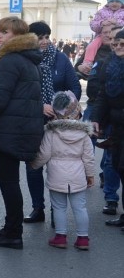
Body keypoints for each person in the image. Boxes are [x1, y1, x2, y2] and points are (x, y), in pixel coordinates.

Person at [0, 16, 44, 249]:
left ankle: (13, 232)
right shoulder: (26, 58)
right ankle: (11, 228)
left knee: (9, 181)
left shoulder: (11, 60)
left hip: (10, 132)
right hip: (17, 130)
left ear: (17, 35)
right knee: (9, 180)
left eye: (5, 32)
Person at [21, 21, 82, 223]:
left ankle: (59, 212)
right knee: (34, 165)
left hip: (58, 122)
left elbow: (74, 88)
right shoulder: (24, 59)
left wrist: (59, 107)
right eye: (40, 37)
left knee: (56, 167)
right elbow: (19, 93)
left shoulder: (61, 59)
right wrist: (40, 106)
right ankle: (38, 208)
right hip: (33, 120)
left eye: (47, 36)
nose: (44, 41)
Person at [30, 91, 94, 250]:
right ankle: (83, 238)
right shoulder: (84, 134)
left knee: (59, 207)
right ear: (77, 111)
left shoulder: (51, 132)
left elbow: (44, 154)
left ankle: (60, 237)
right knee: (80, 207)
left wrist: (34, 165)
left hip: (56, 175)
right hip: (78, 175)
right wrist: (90, 175)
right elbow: (88, 157)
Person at [91, 29, 124, 230]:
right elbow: (103, 94)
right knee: (119, 168)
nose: (118, 47)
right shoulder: (109, 64)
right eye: (115, 44)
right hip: (116, 124)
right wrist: (96, 118)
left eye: (122, 44)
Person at [81, 0, 124, 72]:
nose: (114, 3)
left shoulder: (123, 12)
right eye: (112, 1)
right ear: (108, 2)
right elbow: (93, 24)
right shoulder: (102, 12)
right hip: (101, 36)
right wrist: (101, 23)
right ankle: (87, 63)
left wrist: (117, 22)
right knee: (91, 46)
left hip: (120, 36)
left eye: (117, 1)